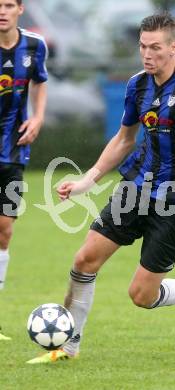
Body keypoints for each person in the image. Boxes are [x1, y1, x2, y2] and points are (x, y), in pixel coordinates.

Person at [27, 12, 175, 364]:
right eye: (143, 46)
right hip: (137, 188)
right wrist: (89, 179)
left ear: (174, 48)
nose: (147, 54)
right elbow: (125, 138)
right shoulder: (137, 85)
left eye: (156, 47)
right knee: (84, 260)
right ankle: (66, 347)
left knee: (141, 295)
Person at [0, 0, 48, 340]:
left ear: (20, 8)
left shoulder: (35, 45)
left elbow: (39, 82)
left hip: (14, 151)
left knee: (4, 230)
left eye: (6, 5)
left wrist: (38, 116)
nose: (1, 11)